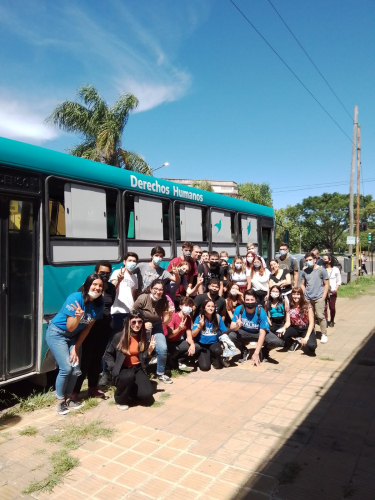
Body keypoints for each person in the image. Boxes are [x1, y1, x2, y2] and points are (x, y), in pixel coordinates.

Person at [46, 274, 104, 415]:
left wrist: (76, 347)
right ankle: (60, 401)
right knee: (66, 368)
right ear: (87, 285)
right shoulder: (75, 298)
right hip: (57, 333)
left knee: (76, 368)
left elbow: (87, 328)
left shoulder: (99, 303)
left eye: (100, 286)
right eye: (94, 284)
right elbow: (70, 327)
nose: (97, 288)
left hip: (74, 337)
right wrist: (78, 316)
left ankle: (69, 398)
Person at [73, 261, 116, 399]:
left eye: (107, 273)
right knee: (85, 359)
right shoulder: (86, 287)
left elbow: (109, 305)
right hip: (88, 328)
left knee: (97, 359)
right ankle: (75, 391)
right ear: (95, 272)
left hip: (104, 328)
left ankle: (93, 387)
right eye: (102, 273)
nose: (105, 276)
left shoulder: (111, 288)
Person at [104, 312, 156, 410]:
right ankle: (120, 399)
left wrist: (149, 352)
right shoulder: (119, 337)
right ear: (128, 323)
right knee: (128, 376)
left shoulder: (144, 337)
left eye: (140, 322)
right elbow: (108, 354)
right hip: (123, 369)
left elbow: (144, 361)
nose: (137, 325)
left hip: (137, 368)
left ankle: (129, 391)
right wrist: (113, 368)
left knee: (147, 396)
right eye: (134, 322)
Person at [132, 279, 174, 384]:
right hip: (140, 325)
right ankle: (140, 371)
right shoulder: (142, 298)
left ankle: (160, 373)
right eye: (155, 289)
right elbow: (131, 314)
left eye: (160, 290)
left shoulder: (164, 300)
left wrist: (170, 314)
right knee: (141, 347)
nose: (158, 292)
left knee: (163, 348)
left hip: (156, 325)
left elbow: (164, 321)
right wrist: (142, 324)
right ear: (151, 288)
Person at [229, 289, 284, 364]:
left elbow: (262, 334)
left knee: (276, 342)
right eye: (247, 300)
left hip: (258, 332)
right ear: (244, 300)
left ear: (256, 300)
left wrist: (256, 353)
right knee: (231, 336)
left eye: (252, 299)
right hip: (244, 332)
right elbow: (232, 327)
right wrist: (237, 326)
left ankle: (264, 351)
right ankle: (244, 350)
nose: (250, 302)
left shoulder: (261, 312)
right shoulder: (239, 309)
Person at [300, 252, 329, 344]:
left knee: (320, 316)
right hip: (308, 298)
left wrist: (323, 297)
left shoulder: (321, 270)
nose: (308, 262)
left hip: (318, 298)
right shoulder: (305, 271)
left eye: (310, 260)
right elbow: (302, 284)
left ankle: (324, 334)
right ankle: (312, 332)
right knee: (309, 317)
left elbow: (326, 284)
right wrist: (304, 295)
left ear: (315, 260)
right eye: (307, 260)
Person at [192, 299, 227, 371]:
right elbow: (193, 334)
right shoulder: (199, 318)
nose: (210, 308)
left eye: (212, 306)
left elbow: (224, 332)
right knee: (205, 367)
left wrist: (223, 343)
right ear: (204, 308)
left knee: (218, 350)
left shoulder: (217, 317)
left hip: (214, 343)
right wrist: (199, 326)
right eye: (208, 306)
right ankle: (204, 356)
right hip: (202, 345)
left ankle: (215, 357)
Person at [167, 296, 200, 367]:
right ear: (180, 307)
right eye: (186, 305)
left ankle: (179, 359)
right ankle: (169, 360)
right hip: (168, 343)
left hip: (178, 342)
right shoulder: (173, 317)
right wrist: (178, 329)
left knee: (196, 347)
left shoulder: (188, 318)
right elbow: (169, 336)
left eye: (190, 306)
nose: (188, 307)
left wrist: (192, 345)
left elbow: (189, 336)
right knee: (175, 349)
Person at [110, 252, 139, 334]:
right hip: (118, 311)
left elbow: (133, 294)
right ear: (124, 262)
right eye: (130, 260)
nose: (132, 263)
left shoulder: (135, 277)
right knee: (115, 336)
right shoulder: (117, 272)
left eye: (134, 261)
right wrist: (118, 280)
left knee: (126, 336)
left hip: (129, 312)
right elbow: (112, 289)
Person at [283, 287, 317, 354]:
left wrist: (306, 337)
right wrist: (284, 328)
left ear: (301, 295)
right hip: (295, 328)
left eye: (298, 294)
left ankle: (305, 340)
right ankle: (295, 342)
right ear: (291, 295)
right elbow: (288, 322)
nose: (296, 296)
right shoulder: (289, 306)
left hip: (305, 328)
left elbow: (311, 323)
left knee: (312, 346)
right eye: (294, 294)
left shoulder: (308, 306)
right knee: (282, 334)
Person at [322, 254, 341, 327]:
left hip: (332, 291)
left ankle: (332, 320)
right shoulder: (321, 269)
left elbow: (339, 281)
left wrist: (335, 290)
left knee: (332, 307)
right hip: (323, 291)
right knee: (324, 307)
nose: (323, 261)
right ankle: (325, 321)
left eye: (325, 259)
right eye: (323, 259)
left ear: (329, 260)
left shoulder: (335, 269)